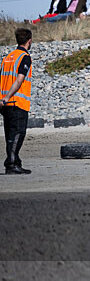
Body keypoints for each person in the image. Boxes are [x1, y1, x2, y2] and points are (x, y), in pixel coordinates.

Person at [1, 28, 33, 174]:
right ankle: (12, 163)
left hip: (4, 103)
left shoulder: (8, 57)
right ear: (29, 41)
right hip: (16, 102)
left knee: (10, 134)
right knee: (18, 133)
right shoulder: (24, 57)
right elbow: (19, 79)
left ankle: (14, 161)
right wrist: (8, 96)